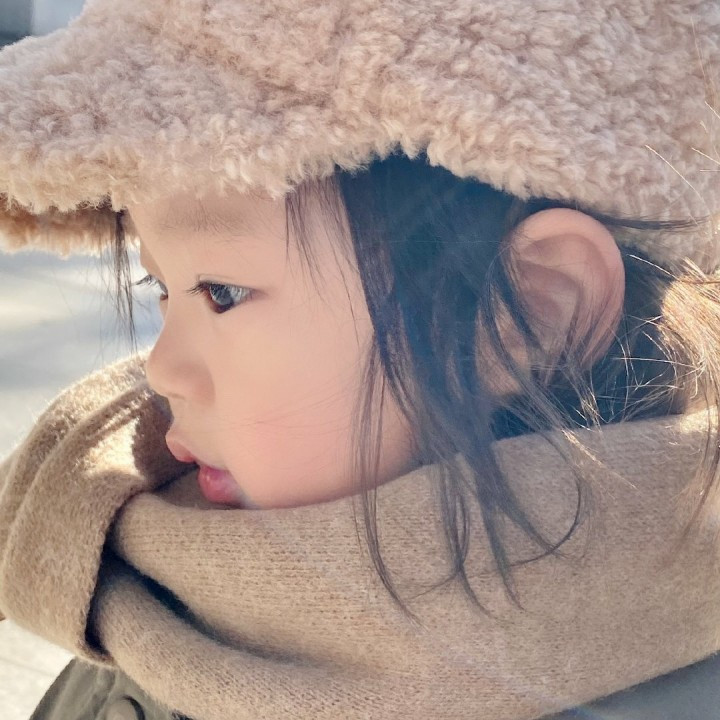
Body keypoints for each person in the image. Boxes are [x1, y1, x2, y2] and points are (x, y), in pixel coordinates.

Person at [0, 0, 719, 718]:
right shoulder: (137, 555)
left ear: (526, 314)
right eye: (159, 287)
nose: (161, 371)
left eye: (221, 292)